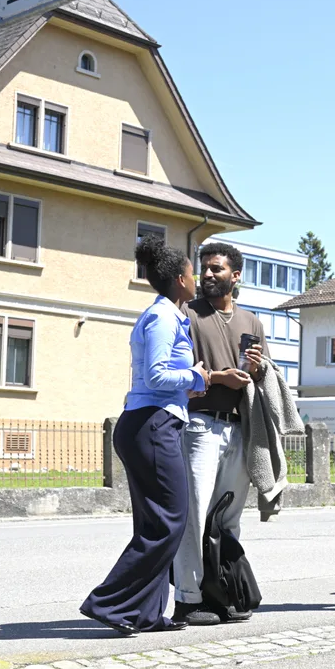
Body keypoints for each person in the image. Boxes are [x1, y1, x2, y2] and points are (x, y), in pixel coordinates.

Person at [81, 234, 209, 635]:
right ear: (178, 280)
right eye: (192, 274)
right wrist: (196, 375)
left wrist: (193, 380)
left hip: (153, 422)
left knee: (157, 522)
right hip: (151, 424)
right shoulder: (162, 317)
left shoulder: (172, 316)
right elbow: (155, 374)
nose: (197, 280)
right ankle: (108, 602)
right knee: (170, 520)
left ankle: (145, 613)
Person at [172, 242, 268, 626]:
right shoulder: (188, 315)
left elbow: (263, 378)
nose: (208, 275)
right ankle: (188, 599)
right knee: (195, 515)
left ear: (236, 275)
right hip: (199, 425)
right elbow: (182, 374)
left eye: (216, 269)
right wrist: (217, 376)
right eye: (205, 268)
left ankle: (223, 591)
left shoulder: (252, 321)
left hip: (240, 426)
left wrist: (259, 370)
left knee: (227, 517)